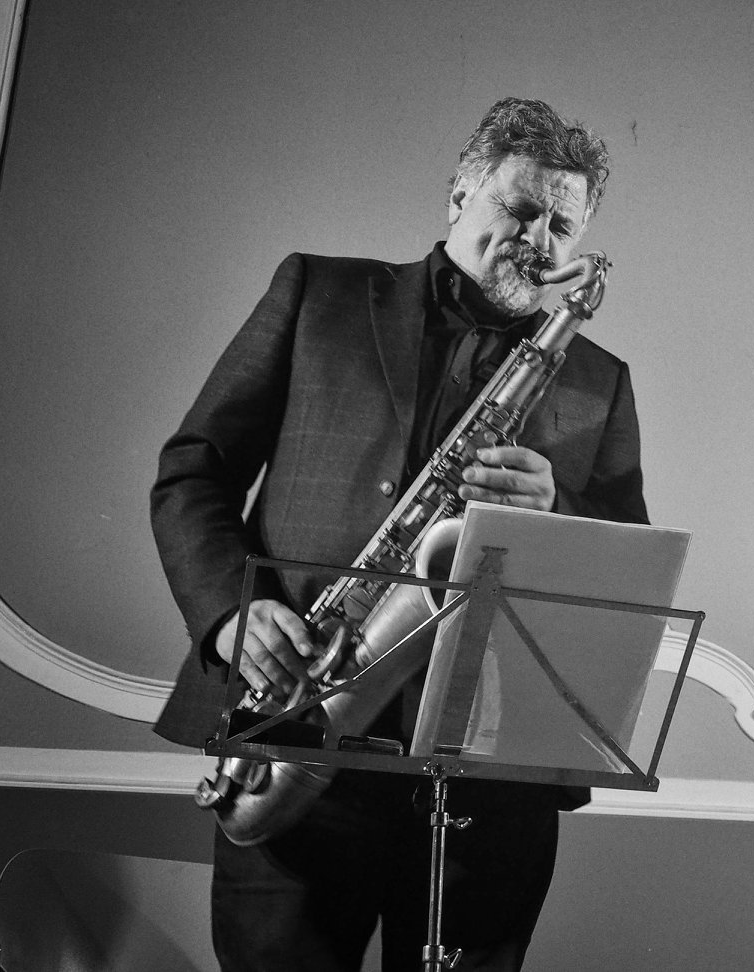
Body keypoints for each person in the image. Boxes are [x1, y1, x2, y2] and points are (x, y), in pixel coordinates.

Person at [150, 97, 646, 972]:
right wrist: (233, 615)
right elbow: (195, 469)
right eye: (520, 209)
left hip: (486, 781)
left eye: (562, 226)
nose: (538, 241)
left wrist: (557, 511)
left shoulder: (598, 378)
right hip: (296, 724)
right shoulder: (320, 293)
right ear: (459, 195)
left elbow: (626, 574)